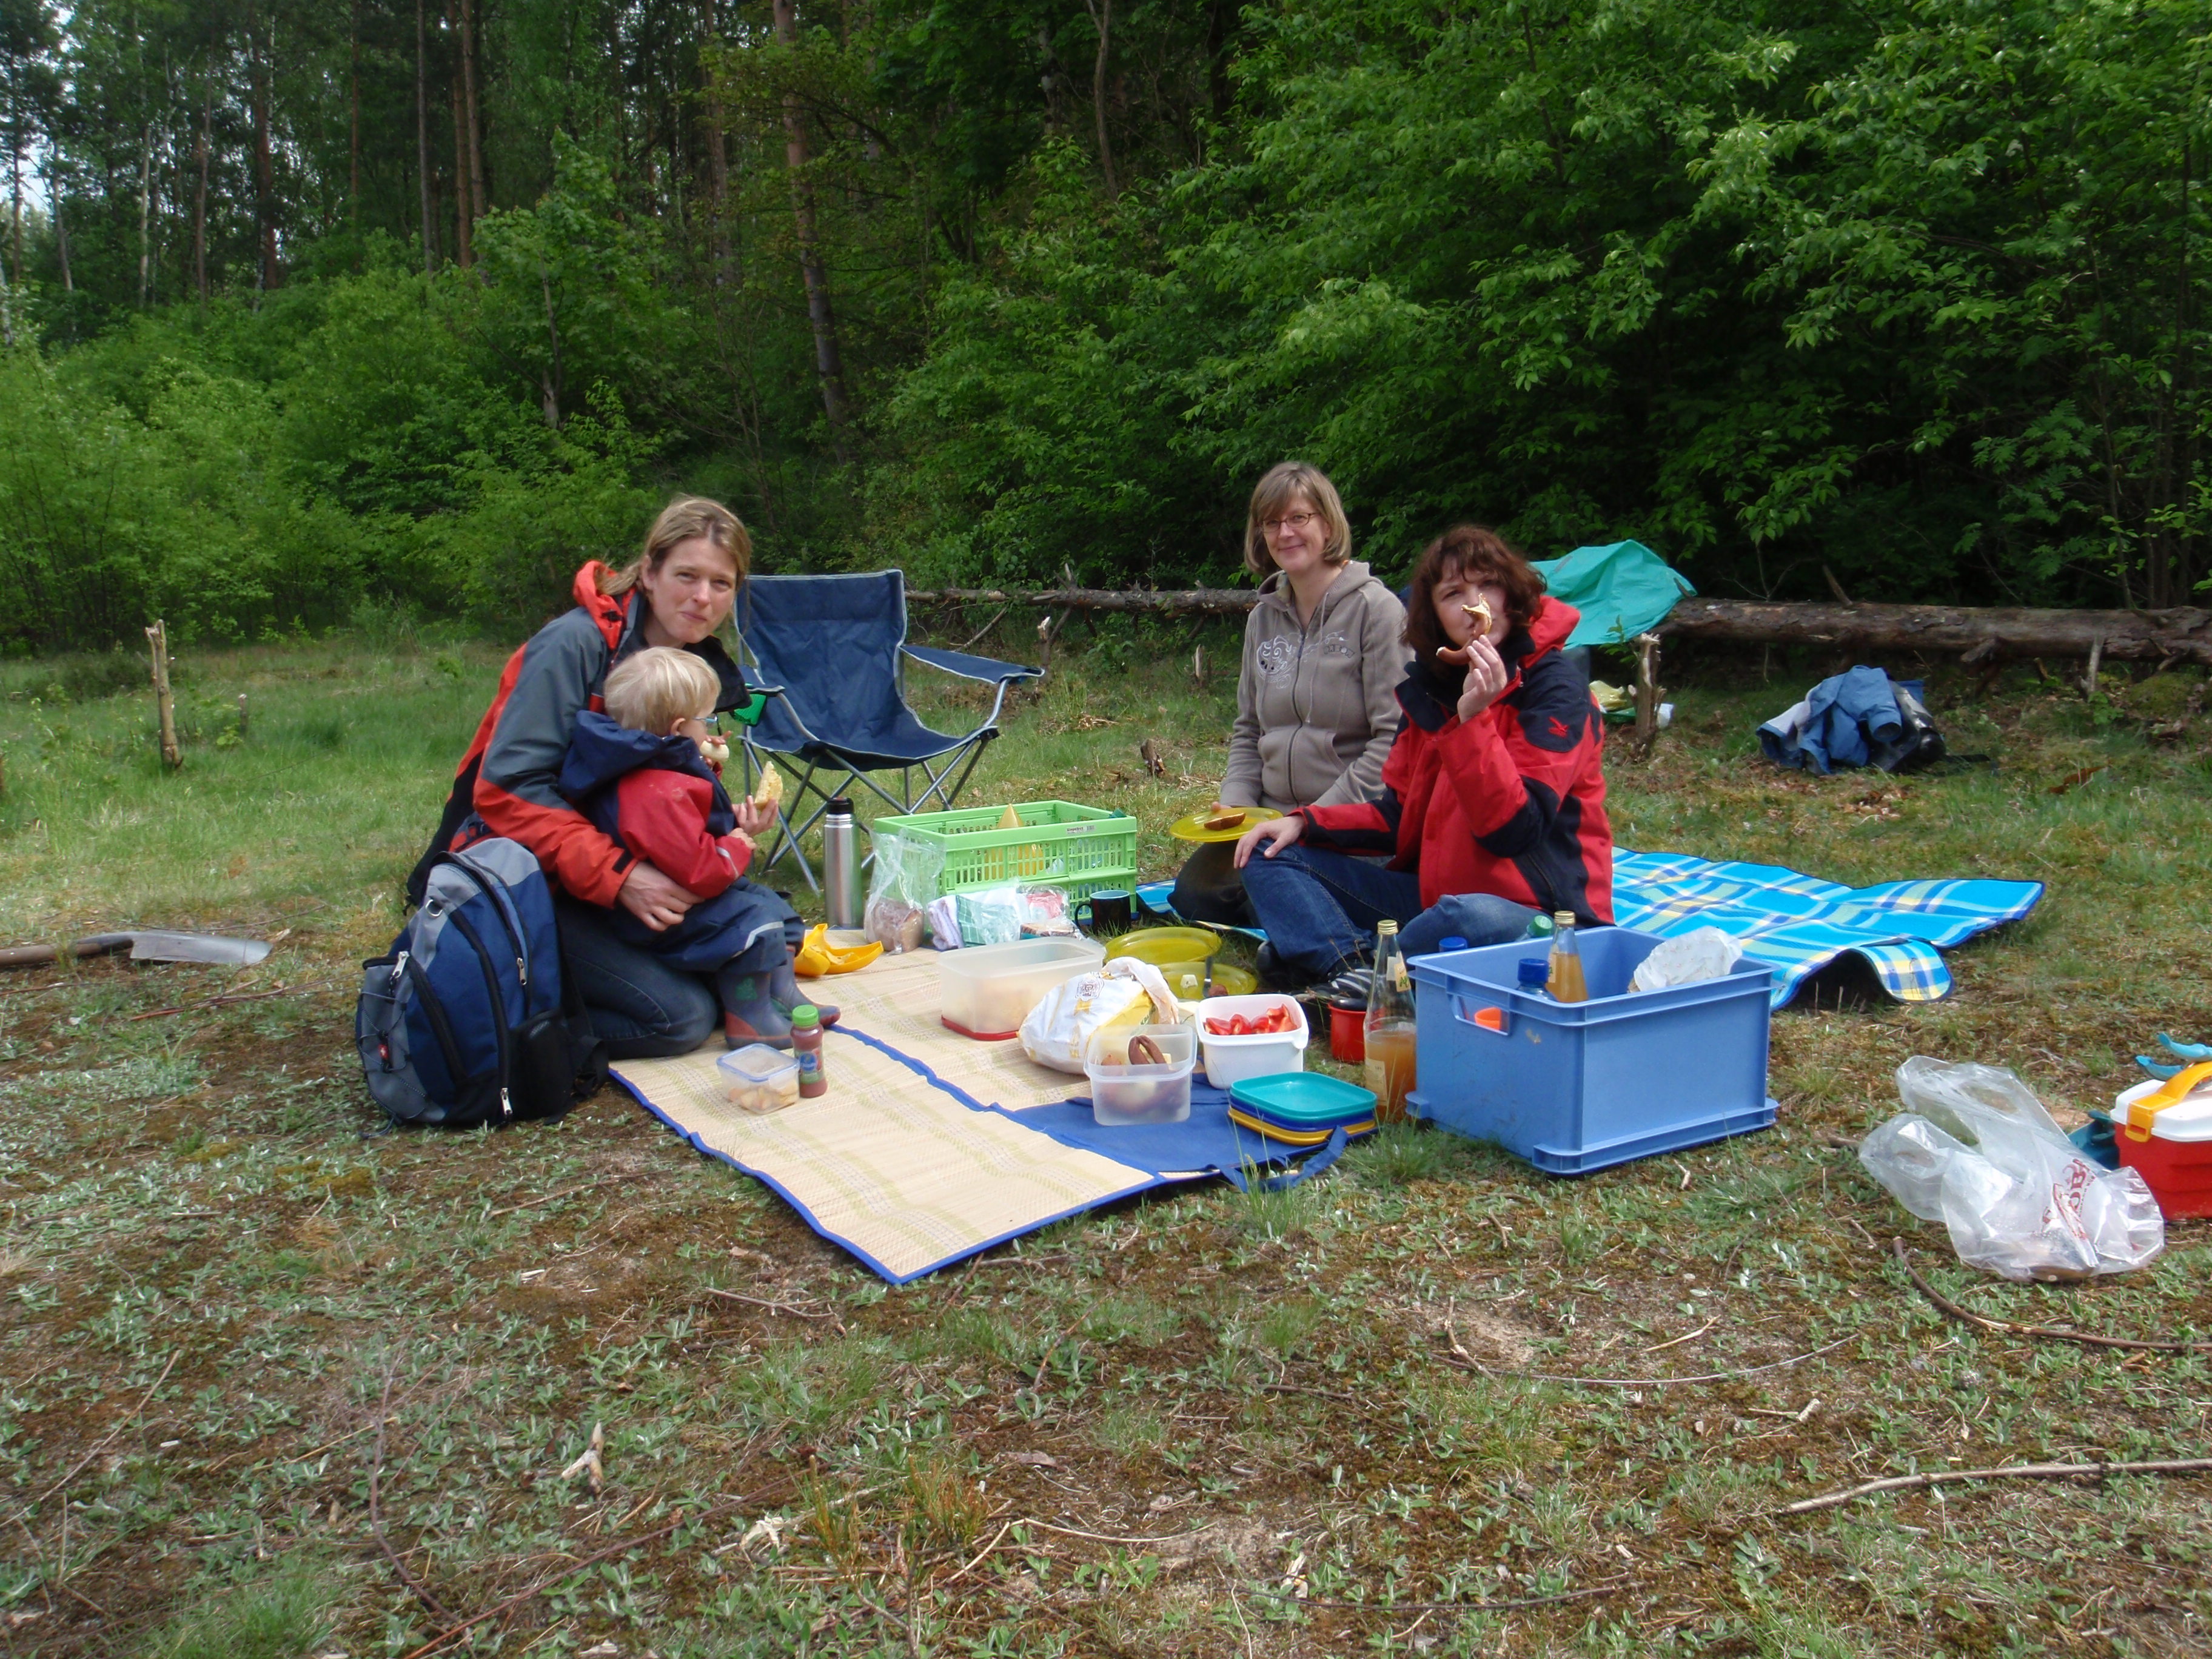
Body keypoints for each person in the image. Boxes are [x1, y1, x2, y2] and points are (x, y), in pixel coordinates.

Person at [412, 496, 813, 1057]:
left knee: (770, 932)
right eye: (687, 576)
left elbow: (659, 790)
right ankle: (513, 1023)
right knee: (682, 1020)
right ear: (648, 572)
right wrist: (620, 876)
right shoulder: (574, 645)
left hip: (614, 871)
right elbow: (508, 791)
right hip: (532, 879)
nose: (703, 597)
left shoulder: (689, 659)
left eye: (721, 584)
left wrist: (723, 828)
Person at [1232, 523, 1612, 987]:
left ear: (1512, 595)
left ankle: (1354, 970)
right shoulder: (1431, 691)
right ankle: (1352, 970)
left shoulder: (1556, 689)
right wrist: (1304, 822)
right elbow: (1397, 817)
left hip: (1536, 918)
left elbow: (1514, 831)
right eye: (1454, 594)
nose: (1476, 606)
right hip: (1430, 901)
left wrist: (1474, 722)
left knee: (1465, 917)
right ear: (1434, 616)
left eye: (1488, 585)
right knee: (1269, 853)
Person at [1171, 461, 1407, 925]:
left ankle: (1312, 909)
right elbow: (1248, 730)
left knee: (1271, 892)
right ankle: (1295, 906)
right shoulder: (1262, 619)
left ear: (1327, 524)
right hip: (1270, 822)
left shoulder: (1376, 611)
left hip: (1349, 824)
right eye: (1272, 523)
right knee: (1195, 894)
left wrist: (1310, 820)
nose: (1285, 533)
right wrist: (1236, 807)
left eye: (1299, 518)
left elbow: (1394, 742)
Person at [557, 648, 829, 1048]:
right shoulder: (653, 792)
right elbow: (700, 871)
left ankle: (783, 996)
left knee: (776, 908)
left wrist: (728, 811)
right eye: (708, 719)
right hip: (662, 914)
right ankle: (750, 1017)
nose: (713, 729)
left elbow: (689, 829)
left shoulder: (659, 765)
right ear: (678, 728)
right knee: (756, 923)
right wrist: (738, 843)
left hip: (683, 888)